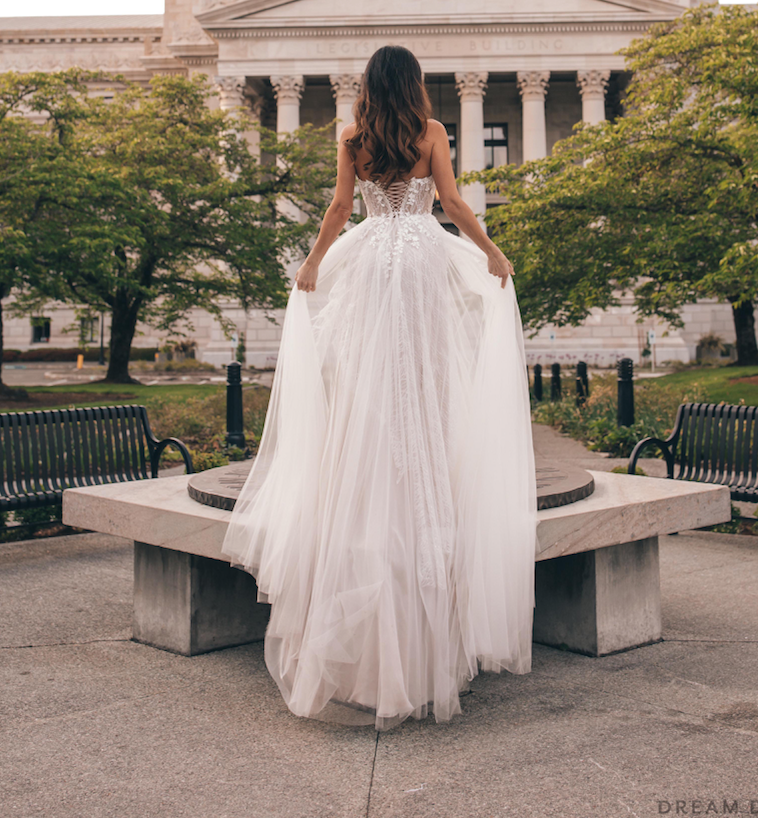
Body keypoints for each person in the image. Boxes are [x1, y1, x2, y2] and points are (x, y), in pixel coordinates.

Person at [221, 45, 538, 729]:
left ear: (366, 86)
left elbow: (341, 209)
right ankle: (421, 470)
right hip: (423, 255)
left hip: (370, 257)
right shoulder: (431, 133)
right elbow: (450, 201)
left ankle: (369, 470)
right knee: (423, 377)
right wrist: (491, 250)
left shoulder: (351, 135)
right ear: (414, 84)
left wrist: (310, 265)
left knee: (367, 377)